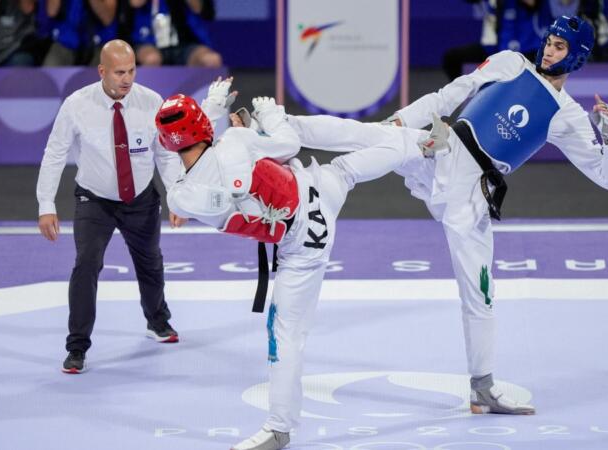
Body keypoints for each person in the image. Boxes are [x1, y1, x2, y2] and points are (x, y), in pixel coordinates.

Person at [287, 15, 608, 416]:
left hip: (473, 196)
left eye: (560, 47)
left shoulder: (567, 115)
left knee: (480, 295)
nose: (549, 50)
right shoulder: (511, 63)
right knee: (373, 135)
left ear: (578, 57)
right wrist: (401, 120)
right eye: (550, 41)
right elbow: (450, 94)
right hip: (442, 150)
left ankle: (482, 387)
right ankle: (281, 128)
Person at [155, 79, 436, 450]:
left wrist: (214, 109)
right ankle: (421, 143)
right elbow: (287, 144)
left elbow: (190, 167)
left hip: (301, 243)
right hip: (314, 192)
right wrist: (269, 117)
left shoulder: (181, 198)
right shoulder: (235, 143)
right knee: (347, 168)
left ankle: (280, 426)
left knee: (285, 334)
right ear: (203, 127)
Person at [36, 39, 186, 375]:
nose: (127, 78)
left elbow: (165, 153)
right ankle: (77, 347)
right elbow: (55, 153)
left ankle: (157, 320)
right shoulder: (77, 105)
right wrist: (46, 204)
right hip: (95, 200)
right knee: (86, 265)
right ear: (102, 71)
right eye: (119, 72)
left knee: (151, 263)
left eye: (132, 70)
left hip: (141, 199)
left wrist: (177, 195)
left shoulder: (151, 102)